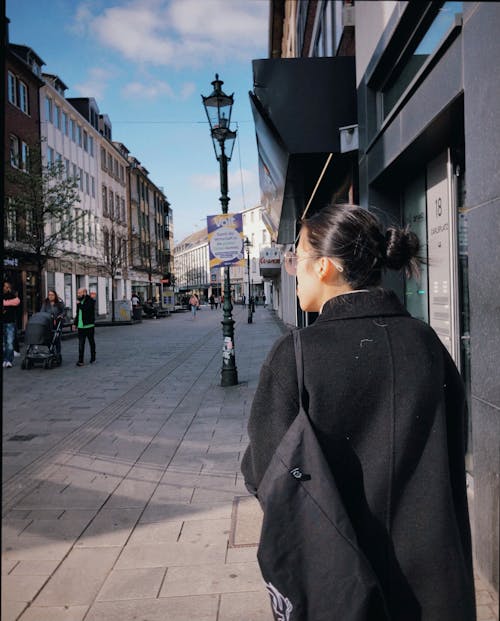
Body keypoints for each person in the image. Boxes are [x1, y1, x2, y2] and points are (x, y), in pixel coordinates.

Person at [241, 204, 475, 621]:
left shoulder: (296, 355)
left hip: (339, 580)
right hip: (435, 582)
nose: (293, 270)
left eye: (298, 256)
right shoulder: (427, 344)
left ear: (326, 267)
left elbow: (265, 472)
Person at [72, 288, 96, 366]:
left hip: (89, 326)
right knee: (81, 343)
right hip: (81, 326)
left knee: (91, 342)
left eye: (79, 293)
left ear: (84, 293)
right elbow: (78, 313)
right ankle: (80, 360)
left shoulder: (90, 300)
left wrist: (79, 304)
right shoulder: (79, 301)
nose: (78, 294)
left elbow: (86, 310)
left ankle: (93, 357)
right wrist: (74, 323)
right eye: (77, 293)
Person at [40, 289, 65, 354]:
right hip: (48, 323)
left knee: (57, 338)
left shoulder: (59, 303)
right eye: (49, 295)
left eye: (52, 295)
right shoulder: (45, 303)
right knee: (49, 338)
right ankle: (51, 351)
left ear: (55, 295)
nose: (50, 296)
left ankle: (58, 353)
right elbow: (42, 312)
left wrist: (61, 315)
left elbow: (64, 311)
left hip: (57, 323)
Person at [3, 281, 20, 368]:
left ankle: (8, 360)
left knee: (9, 342)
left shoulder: (12, 295)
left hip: (10, 322)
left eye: (7, 287)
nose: (5, 288)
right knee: (3, 343)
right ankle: (4, 359)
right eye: (4, 286)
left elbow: (17, 301)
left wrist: (5, 303)